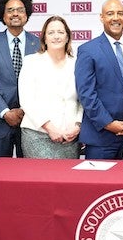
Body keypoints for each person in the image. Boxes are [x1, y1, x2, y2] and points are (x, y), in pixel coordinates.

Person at [76, 0, 123, 160]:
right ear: (101, 17)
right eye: (110, 13)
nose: (115, 18)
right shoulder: (87, 50)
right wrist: (109, 124)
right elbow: (86, 94)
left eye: (120, 13)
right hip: (100, 138)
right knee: (97, 186)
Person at [0, 0, 40, 159]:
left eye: (20, 10)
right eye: (10, 10)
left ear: (26, 14)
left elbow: (42, 84)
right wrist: (5, 112)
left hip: (31, 122)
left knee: (29, 177)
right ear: (3, 15)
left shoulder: (39, 44)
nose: (15, 14)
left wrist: (24, 110)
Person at [18, 16, 83, 159]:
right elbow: (27, 100)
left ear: (67, 37)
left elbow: (83, 100)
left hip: (69, 137)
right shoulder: (31, 62)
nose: (56, 36)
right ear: (44, 38)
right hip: (37, 135)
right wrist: (50, 128)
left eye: (60, 32)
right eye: (51, 32)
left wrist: (77, 126)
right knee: (39, 180)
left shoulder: (78, 64)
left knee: (66, 179)